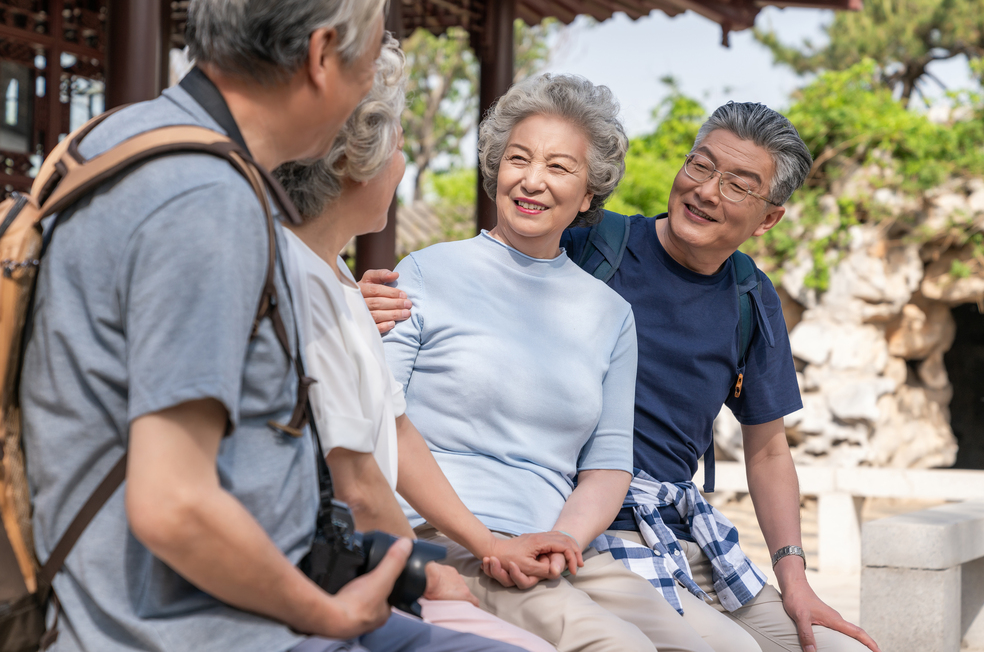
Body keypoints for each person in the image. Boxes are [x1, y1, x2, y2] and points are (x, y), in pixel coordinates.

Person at [19, 0, 518, 651]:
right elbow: (173, 504)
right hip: (196, 628)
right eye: (371, 54)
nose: (372, 79)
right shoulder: (205, 199)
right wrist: (325, 613)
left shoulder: (119, 136)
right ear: (320, 54)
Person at [362, 102, 881, 652]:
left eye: (737, 186)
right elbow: (497, 271)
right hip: (601, 528)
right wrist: (359, 302)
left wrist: (794, 581)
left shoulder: (746, 297)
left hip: (676, 527)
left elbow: (769, 450)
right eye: (700, 166)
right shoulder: (592, 245)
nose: (706, 191)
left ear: (769, 217)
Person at [377, 73, 743, 652]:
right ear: (495, 167)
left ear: (590, 193)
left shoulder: (609, 314)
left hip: (558, 548)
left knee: (727, 649)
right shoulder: (424, 273)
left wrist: (561, 540)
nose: (532, 180)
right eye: (517, 159)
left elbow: (607, 467)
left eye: (558, 167)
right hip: (449, 534)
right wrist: (487, 542)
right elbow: (378, 426)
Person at [273, 33, 565, 652]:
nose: (405, 165)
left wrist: (484, 546)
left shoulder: (338, 278)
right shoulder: (310, 288)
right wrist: (429, 572)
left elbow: (394, 431)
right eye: (401, 145)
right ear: (357, 161)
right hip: (332, 579)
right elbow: (354, 480)